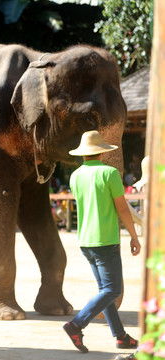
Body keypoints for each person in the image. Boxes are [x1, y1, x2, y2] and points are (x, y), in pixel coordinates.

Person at [62, 130, 141, 353]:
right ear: (102, 153)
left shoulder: (75, 176)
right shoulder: (110, 173)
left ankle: (120, 337)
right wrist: (134, 236)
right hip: (105, 240)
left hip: (85, 240)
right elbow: (122, 207)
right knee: (112, 289)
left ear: (84, 154)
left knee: (105, 289)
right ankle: (76, 324)